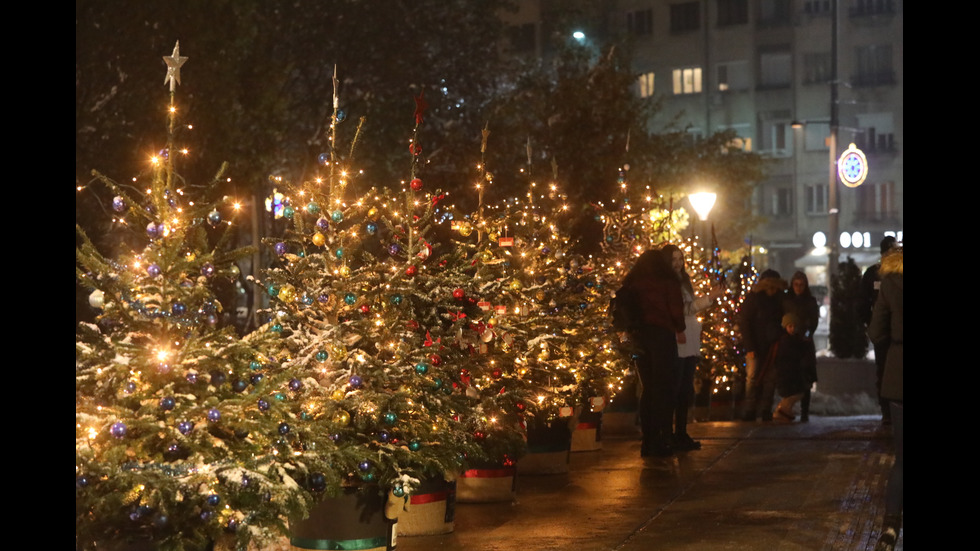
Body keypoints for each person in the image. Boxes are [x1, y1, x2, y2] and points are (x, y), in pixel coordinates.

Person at [621, 249, 685, 457]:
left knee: (648, 388)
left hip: (640, 337)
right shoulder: (668, 282)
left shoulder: (633, 283)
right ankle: (661, 437)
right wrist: (679, 327)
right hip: (662, 336)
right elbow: (676, 310)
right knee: (664, 387)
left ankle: (647, 440)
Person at [661, 244, 724, 450]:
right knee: (677, 389)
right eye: (674, 259)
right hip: (680, 341)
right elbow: (684, 309)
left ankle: (680, 432)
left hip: (689, 340)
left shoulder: (684, 281)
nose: (678, 263)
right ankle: (671, 434)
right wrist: (709, 299)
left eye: (680, 258)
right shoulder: (669, 283)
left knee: (685, 389)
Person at [869, 246, 902, 550]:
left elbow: (875, 330)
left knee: (901, 460)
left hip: (899, 373)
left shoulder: (891, 281)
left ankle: (890, 529)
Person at [738, 269, 787, 421]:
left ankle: (765, 409)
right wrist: (750, 347)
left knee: (770, 379)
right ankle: (750, 409)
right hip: (756, 345)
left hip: (773, 345)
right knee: (752, 378)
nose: (771, 290)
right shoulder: (753, 299)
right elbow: (744, 322)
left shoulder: (780, 300)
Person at [860, 236, 899, 424]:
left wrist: (873, 329)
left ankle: (889, 414)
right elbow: (863, 302)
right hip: (886, 336)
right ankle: (888, 413)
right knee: (884, 372)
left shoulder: (886, 279)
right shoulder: (873, 275)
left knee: (885, 374)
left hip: (887, 336)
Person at [782, 271, 820, 421]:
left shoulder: (810, 301)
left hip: (804, 344)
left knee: (806, 379)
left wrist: (806, 334)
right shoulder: (786, 300)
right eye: (796, 284)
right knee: (791, 376)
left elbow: (813, 321)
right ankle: (787, 409)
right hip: (790, 342)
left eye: (801, 285)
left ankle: (805, 411)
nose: (798, 287)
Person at [771, 313, 807, 421]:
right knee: (794, 394)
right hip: (786, 374)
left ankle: (785, 411)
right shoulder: (785, 341)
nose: (792, 329)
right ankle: (782, 409)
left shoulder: (794, 339)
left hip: (791, 373)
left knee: (797, 393)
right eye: (790, 326)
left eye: (794, 326)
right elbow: (789, 357)